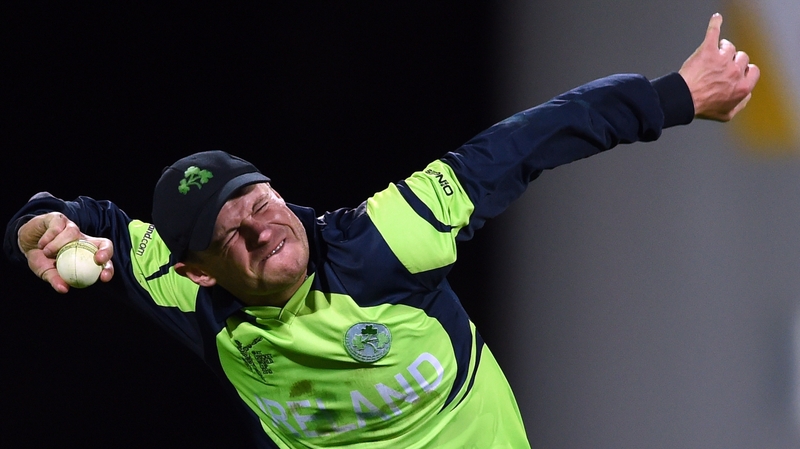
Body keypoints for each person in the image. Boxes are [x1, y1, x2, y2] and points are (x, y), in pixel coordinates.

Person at [4, 14, 759, 449]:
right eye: (230, 233)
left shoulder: (387, 239)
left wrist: (676, 95)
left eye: (259, 201)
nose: (263, 230)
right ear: (197, 269)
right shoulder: (184, 291)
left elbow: (529, 140)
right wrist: (37, 227)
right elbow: (81, 220)